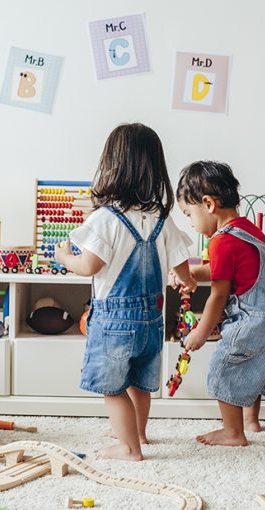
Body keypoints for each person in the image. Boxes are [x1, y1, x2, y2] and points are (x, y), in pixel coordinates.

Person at [55, 123, 196, 461]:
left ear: (112, 166)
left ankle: (128, 447)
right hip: (152, 319)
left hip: (114, 322)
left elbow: (89, 266)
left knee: (113, 388)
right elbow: (182, 267)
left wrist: (63, 257)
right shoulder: (162, 217)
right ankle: (140, 434)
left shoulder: (106, 218)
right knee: (139, 382)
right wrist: (184, 281)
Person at [174, 161, 265, 446]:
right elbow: (230, 270)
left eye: (188, 215)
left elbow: (218, 294)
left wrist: (201, 331)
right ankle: (250, 421)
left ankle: (233, 433)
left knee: (226, 366)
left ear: (208, 204)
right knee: (252, 366)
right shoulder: (247, 230)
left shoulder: (220, 242)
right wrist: (194, 272)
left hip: (262, 316)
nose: (191, 224)